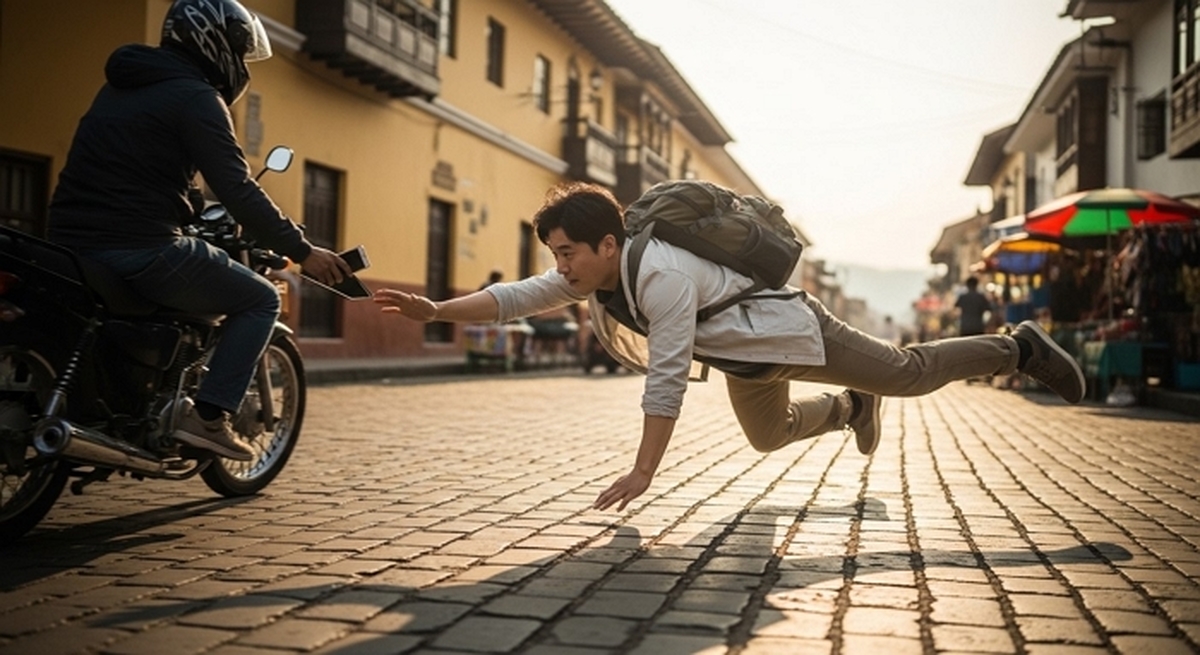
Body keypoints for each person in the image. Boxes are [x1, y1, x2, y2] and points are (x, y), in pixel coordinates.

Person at [374, 183, 1085, 511]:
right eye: (556, 255)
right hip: (749, 360)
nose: (560, 266)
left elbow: (666, 378)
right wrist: (437, 308)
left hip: (795, 334)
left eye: (567, 253)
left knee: (907, 370)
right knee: (768, 436)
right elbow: (517, 296)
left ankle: (1015, 347)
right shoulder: (598, 273)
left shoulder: (659, 274)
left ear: (606, 244)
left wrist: (644, 472)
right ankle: (847, 407)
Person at [47, 0, 351, 460]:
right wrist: (302, 250)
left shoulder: (119, 87)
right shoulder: (195, 97)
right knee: (260, 298)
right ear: (215, 43)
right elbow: (237, 188)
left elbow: (133, 169)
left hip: (69, 243)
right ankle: (208, 417)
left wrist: (187, 202)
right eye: (239, 48)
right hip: (140, 245)